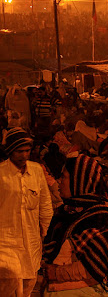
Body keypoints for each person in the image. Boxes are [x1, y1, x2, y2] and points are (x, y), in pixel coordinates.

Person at [42, 154, 108, 296]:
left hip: (100, 286)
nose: (59, 181)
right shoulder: (67, 212)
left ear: (79, 181)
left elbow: (97, 266)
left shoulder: (100, 216)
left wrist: (56, 273)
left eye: (64, 177)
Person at [0, 127, 53, 296]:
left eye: (27, 151)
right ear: (10, 151)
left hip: (32, 242)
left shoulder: (36, 170)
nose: (24, 155)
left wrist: (48, 234)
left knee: (29, 283)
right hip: (6, 242)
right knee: (9, 283)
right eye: (19, 151)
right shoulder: (1, 174)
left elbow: (45, 205)